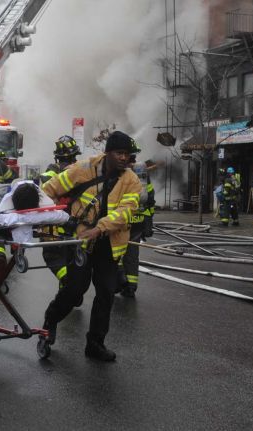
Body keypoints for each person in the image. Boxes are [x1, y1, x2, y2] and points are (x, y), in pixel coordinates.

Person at [41, 130, 141, 362]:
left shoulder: (131, 181)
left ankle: (95, 343)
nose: (124, 158)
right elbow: (51, 189)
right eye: (119, 153)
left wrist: (99, 228)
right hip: (81, 243)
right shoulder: (83, 168)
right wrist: (38, 212)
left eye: (127, 154)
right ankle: (51, 319)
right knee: (75, 290)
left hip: (108, 245)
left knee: (105, 293)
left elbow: (126, 212)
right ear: (107, 152)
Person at [39, 135, 82, 291]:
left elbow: (44, 191)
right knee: (70, 259)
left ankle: (67, 283)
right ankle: (68, 290)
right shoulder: (80, 170)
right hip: (76, 226)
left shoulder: (52, 172)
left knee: (53, 256)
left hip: (55, 227)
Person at [118, 140, 156, 298]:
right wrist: (148, 223)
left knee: (116, 253)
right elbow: (150, 200)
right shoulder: (142, 173)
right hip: (138, 222)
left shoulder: (121, 173)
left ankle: (119, 282)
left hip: (122, 221)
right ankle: (131, 286)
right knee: (132, 255)